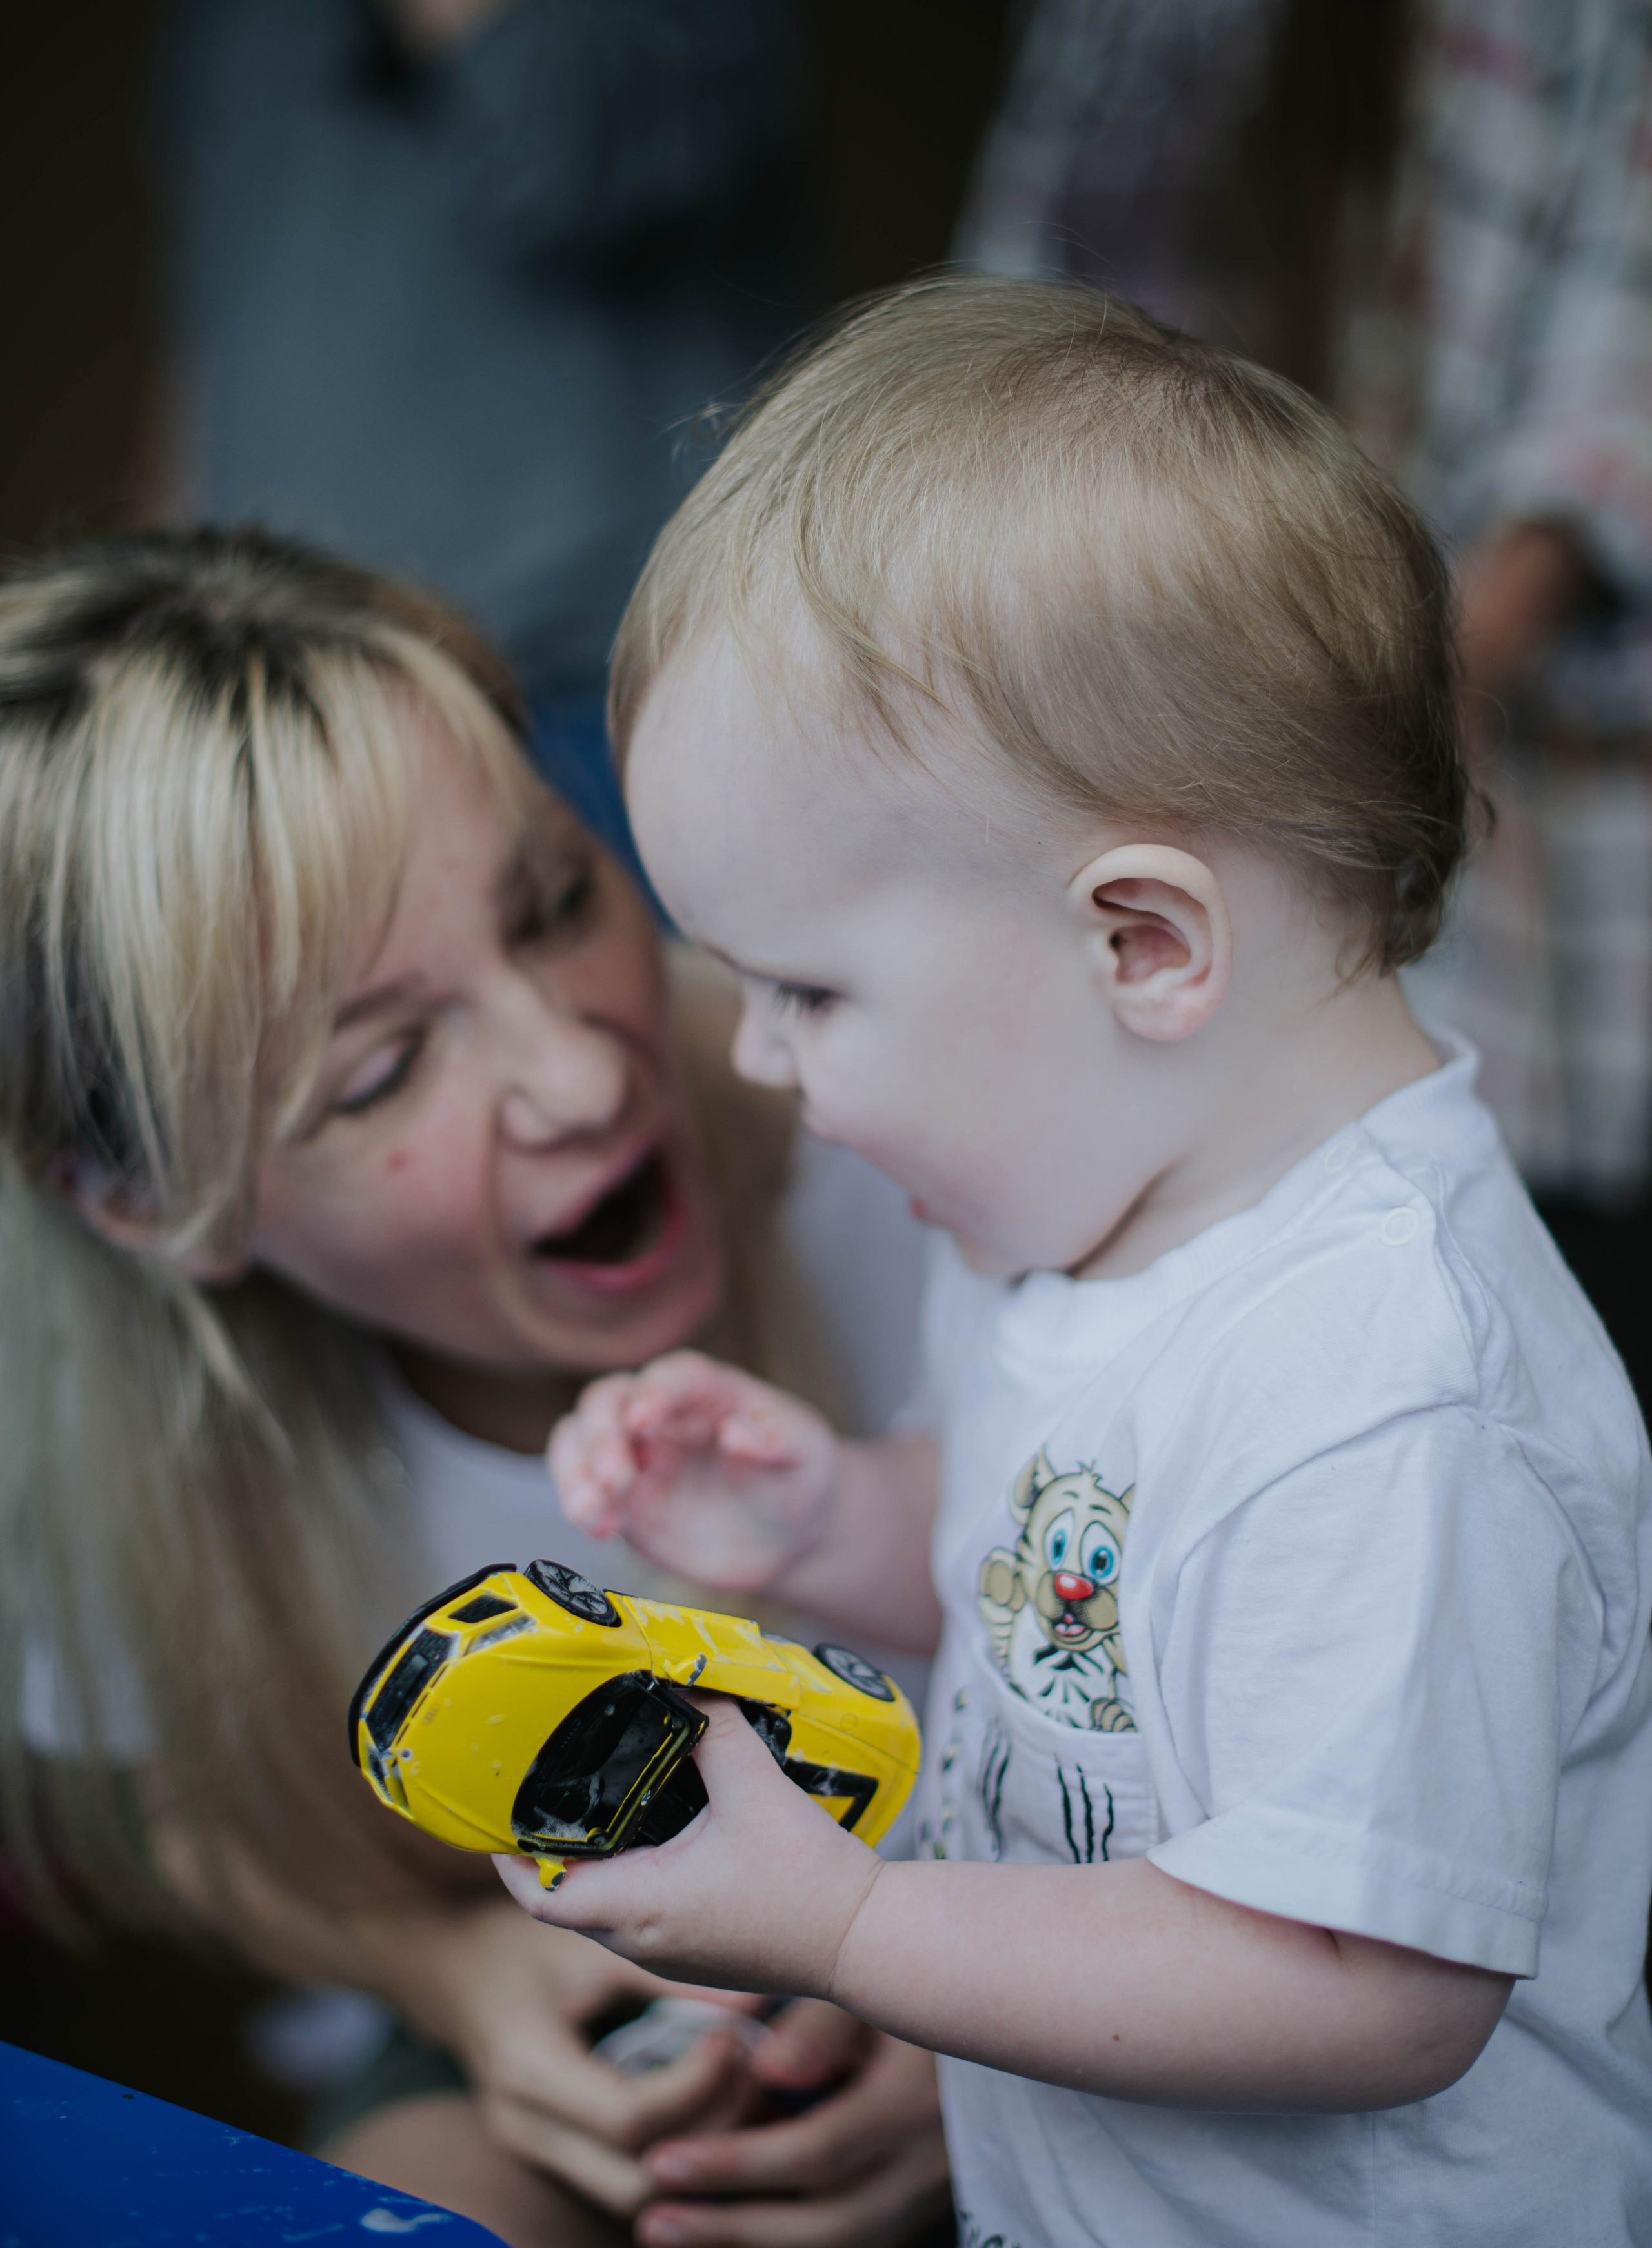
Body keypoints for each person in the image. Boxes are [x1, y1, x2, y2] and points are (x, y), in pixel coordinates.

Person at [512, 279, 1652, 2246]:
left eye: (805, 987)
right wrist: (837, 1519)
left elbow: (1367, 1987)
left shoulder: (1389, 1395)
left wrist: (853, 1923)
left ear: (1141, 942)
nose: (759, 1064)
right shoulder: (1089, 1219)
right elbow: (1071, 1601)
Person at [0, 527, 948, 2248]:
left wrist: (994, 2035)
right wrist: (457, 1972)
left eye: (557, 902)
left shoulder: (915, 1164)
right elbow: (204, 1821)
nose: (587, 1067)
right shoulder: (155, 1463)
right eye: (381, 1067)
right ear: (150, 1205)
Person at [955, 0, 1652, 1393]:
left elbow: (1619, 312)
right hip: (1162, 736)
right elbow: (1008, 292)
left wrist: (1403, 683)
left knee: (1479, 1304)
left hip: (1449, 762)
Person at [161, 0, 814, 856]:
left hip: (601, 668)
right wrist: (160, 602)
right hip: (296, 704)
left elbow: (563, 156)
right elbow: (218, 264)